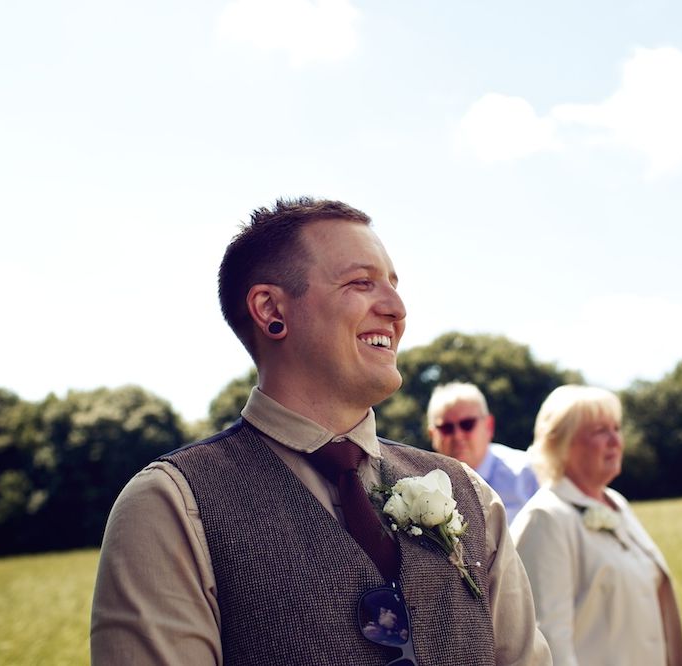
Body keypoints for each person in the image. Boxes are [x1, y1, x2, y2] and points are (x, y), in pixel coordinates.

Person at [91, 197, 551, 665]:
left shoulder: (469, 494)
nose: (397, 309)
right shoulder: (171, 508)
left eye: (393, 285)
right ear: (272, 309)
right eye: (361, 283)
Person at [510, 384, 682, 666]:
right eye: (600, 431)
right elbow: (549, 641)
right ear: (561, 442)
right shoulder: (545, 518)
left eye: (616, 428)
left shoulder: (616, 502)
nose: (615, 440)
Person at [427, 382, 539, 523]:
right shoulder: (424, 486)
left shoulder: (526, 473)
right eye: (446, 428)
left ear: (489, 426)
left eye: (467, 424)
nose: (457, 435)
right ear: (432, 435)